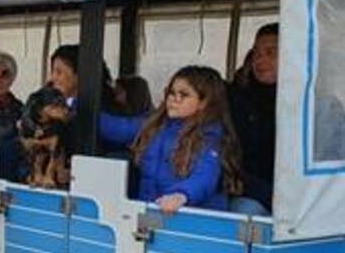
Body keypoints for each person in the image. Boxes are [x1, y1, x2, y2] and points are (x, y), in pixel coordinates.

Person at [99, 65, 242, 213]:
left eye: (184, 95)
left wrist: (181, 195)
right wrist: (78, 104)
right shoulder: (155, 125)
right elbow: (118, 128)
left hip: (192, 221)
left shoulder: (210, 138)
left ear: (204, 102)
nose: (174, 99)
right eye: (171, 93)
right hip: (152, 213)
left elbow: (205, 176)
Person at [228, 24, 277, 214]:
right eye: (256, 53)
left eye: (271, 52)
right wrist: (267, 194)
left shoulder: (312, 102)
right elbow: (226, 159)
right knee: (247, 212)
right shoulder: (234, 99)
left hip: (297, 199)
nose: (261, 60)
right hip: (248, 192)